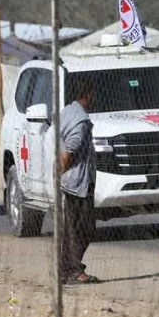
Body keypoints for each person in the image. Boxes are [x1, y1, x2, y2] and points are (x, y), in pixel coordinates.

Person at [59, 78, 99, 284]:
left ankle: (66, 269)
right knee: (83, 229)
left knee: (72, 229)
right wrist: (61, 172)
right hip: (78, 184)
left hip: (72, 182)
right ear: (87, 94)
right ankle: (73, 270)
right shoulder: (80, 121)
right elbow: (69, 151)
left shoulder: (68, 111)